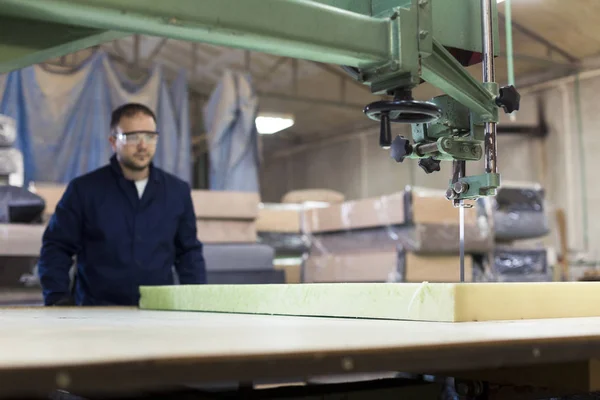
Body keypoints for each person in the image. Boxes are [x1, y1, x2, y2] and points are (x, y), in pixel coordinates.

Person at [38, 103, 206, 306]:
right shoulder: (85, 190)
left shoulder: (176, 192)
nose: (143, 145)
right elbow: (56, 247)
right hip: (96, 313)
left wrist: (198, 302)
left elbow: (188, 253)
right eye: (132, 137)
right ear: (113, 141)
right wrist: (57, 298)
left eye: (150, 136)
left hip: (157, 313)